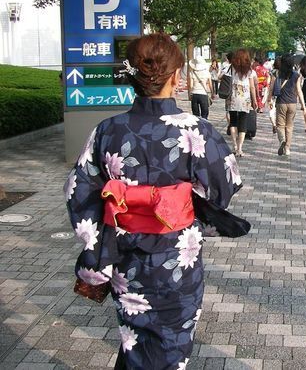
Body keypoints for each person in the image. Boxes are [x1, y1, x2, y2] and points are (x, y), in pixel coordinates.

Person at [64, 33, 249, 369]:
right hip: (178, 258)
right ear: (176, 77)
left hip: (126, 259)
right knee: (171, 348)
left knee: (134, 336)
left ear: (134, 77)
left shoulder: (107, 130)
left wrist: (97, 242)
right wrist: (184, 203)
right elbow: (224, 187)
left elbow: (79, 190)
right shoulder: (197, 130)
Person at [267, 54, 306, 156]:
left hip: (281, 103)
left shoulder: (276, 74)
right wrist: (303, 105)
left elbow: (271, 88)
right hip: (293, 103)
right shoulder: (296, 75)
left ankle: (282, 141)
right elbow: (299, 90)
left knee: (280, 125)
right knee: (289, 126)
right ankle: (287, 149)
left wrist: (269, 100)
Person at [227, 48, 257, 157]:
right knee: (243, 123)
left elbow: (221, 78)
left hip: (232, 98)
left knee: (233, 121)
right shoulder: (249, 71)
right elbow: (252, 87)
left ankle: (234, 145)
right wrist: (255, 100)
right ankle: (240, 148)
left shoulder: (230, 68)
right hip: (245, 100)